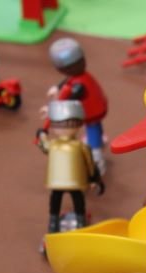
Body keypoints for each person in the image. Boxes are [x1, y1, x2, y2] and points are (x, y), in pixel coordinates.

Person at [36, 100, 105, 244]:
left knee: (56, 200)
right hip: (76, 182)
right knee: (77, 199)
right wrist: (95, 178)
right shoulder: (81, 146)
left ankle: (53, 225)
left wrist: (41, 135)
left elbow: (43, 145)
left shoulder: (54, 144)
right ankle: (79, 223)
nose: (65, 127)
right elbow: (90, 164)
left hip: (57, 182)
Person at [44, 38, 109, 174]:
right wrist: (57, 87)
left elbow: (68, 98)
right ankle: (98, 140)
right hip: (97, 108)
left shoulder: (79, 85)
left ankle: (97, 157)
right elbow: (68, 81)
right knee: (95, 127)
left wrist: (52, 109)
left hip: (92, 112)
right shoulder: (81, 76)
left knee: (92, 128)